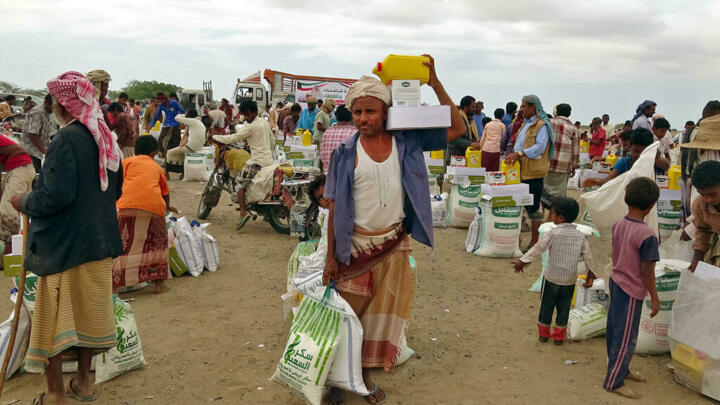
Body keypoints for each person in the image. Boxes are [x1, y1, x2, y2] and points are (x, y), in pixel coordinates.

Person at [322, 55, 465, 405]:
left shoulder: (407, 142)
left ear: (385, 111)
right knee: (347, 319)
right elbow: (334, 208)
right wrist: (330, 258)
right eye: (357, 113)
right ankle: (336, 382)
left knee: (377, 320)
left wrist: (434, 81)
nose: (363, 119)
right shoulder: (344, 153)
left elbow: (458, 128)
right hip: (354, 248)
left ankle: (363, 377)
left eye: (370, 112)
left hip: (392, 244)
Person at [11, 71, 123, 405]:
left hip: (63, 246)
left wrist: (24, 201)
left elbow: (53, 197)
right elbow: (114, 191)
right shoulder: (106, 138)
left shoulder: (66, 140)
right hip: (98, 242)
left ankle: (56, 392)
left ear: (64, 104)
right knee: (87, 313)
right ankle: (84, 384)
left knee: (54, 318)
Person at [595, 177, 660, 399]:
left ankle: (620, 368)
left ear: (625, 199)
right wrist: (654, 295)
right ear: (651, 205)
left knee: (615, 328)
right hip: (632, 288)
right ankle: (614, 381)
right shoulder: (647, 235)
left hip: (617, 280)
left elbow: (617, 253)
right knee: (626, 335)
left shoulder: (619, 224)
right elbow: (647, 270)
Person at [511, 197, 595, 345]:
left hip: (551, 279)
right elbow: (588, 257)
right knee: (564, 309)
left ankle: (543, 334)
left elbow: (537, 249)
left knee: (546, 308)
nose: (551, 217)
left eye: (553, 214)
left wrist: (522, 262)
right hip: (569, 281)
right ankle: (558, 337)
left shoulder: (553, 233)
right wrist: (591, 274)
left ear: (560, 218)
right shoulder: (580, 237)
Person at [113, 135, 176, 293]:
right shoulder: (156, 167)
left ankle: (115, 286)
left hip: (126, 205)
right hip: (154, 207)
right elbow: (165, 192)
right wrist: (168, 206)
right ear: (154, 152)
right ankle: (159, 284)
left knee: (123, 245)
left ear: (135, 150)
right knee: (157, 244)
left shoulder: (126, 162)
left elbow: (117, 184)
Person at [503, 95, 554, 250]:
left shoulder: (542, 126)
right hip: (519, 171)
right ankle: (516, 240)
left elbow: (540, 147)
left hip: (532, 173)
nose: (521, 109)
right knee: (518, 204)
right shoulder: (525, 125)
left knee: (533, 208)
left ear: (534, 107)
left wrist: (519, 154)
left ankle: (534, 242)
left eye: (524, 106)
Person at [213, 100, 274, 230]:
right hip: (269, 160)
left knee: (239, 183)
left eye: (247, 115)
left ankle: (242, 212)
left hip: (257, 162)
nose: (246, 118)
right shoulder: (264, 122)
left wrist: (216, 137)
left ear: (255, 112)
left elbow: (233, 138)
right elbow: (272, 140)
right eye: (244, 115)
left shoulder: (251, 127)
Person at [582, 128, 670, 188]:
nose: (637, 155)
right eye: (635, 151)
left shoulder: (654, 162)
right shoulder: (625, 163)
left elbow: (666, 167)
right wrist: (596, 181)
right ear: (630, 147)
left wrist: (657, 158)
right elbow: (607, 181)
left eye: (642, 152)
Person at [0, 133, 35, 254]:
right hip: (22, 168)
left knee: (8, 212)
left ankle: (11, 253)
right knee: (21, 213)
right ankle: (19, 250)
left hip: (20, 169)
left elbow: (16, 150)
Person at [688, 160, 720, 269]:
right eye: (702, 194)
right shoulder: (699, 204)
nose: (708, 199)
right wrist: (697, 258)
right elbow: (703, 230)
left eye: (712, 194)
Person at [545, 103, 579, 200]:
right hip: (563, 166)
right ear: (569, 113)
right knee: (559, 194)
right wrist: (574, 166)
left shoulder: (548, 122)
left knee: (543, 192)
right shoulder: (574, 128)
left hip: (546, 163)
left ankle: (542, 213)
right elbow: (575, 150)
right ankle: (555, 213)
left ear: (557, 112)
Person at [167, 109, 206, 177]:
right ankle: (183, 172)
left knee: (169, 152)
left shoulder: (192, 121)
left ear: (189, 116)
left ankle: (166, 173)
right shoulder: (199, 122)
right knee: (181, 153)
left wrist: (183, 115)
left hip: (192, 147)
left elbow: (176, 118)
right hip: (199, 147)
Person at [319, 105, 356, 173]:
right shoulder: (355, 133)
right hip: (347, 176)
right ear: (352, 117)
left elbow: (322, 156)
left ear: (336, 116)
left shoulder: (327, 132)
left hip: (328, 175)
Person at [21, 94, 53, 172]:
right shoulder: (38, 112)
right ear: (46, 102)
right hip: (32, 153)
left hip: (37, 153)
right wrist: (45, 151)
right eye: (53, 106)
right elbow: (32, 134)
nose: (55, 108)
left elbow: (43, 134)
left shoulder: (46, 112)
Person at [150, 92, 186, 158]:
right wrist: (152, 124)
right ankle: (163, 154)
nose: (161, 101)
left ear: (166, 98)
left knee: (175, 141)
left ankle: (174, 157)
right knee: (161, 139)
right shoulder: (161, 105)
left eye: (162, 99)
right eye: (159, 99)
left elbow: (183, 111)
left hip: (176, 124)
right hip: (166, 124)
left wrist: (182, 122)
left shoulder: (174, 103)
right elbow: (157, 115)